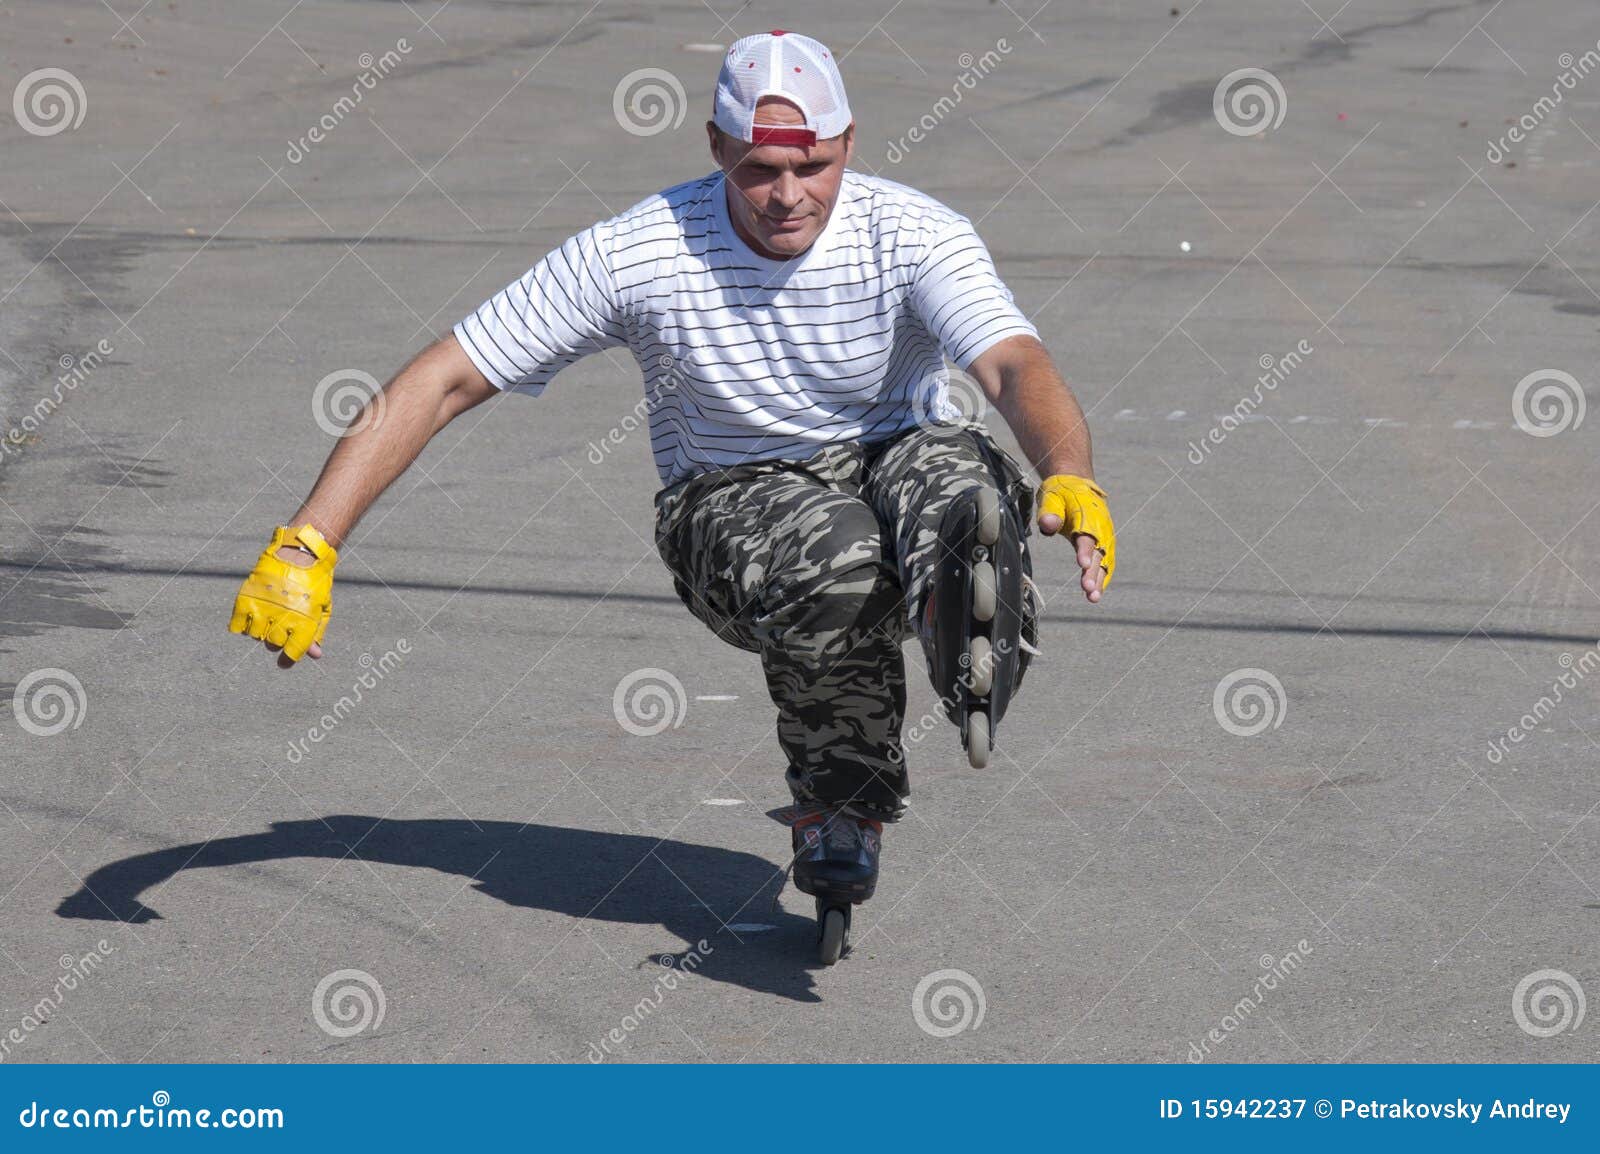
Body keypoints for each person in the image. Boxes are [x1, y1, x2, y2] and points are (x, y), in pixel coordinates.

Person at [228, 30, 1114, 957]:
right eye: (760, 169)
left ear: (849, 143)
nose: (787, 195)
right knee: (840, 553)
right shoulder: (641, 251)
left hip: (897, 459)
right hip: (732, 501)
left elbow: (1013, 365)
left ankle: (964, 600)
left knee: (951, 470)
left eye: (812, 166)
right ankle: (842, 801)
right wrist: (308, 542)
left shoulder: (914, 233)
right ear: (717, 148)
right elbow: (445, 377)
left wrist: (1071, 475)